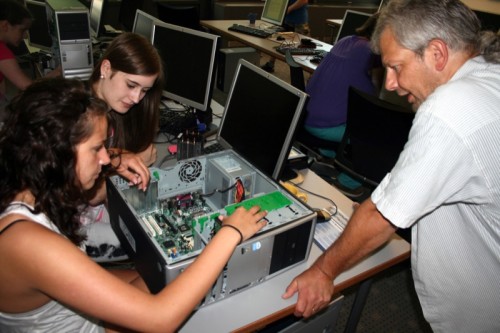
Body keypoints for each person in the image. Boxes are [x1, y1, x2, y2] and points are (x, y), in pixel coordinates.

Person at [283, 1, 500, 332]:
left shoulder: (450, 110)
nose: (391, 84)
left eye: (396, 67)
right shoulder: (488, 76)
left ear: (437, 54)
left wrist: (323, 271)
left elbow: (382, 217)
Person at [0, 77, 267, 332]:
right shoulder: (29, 244)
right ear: (57, 152)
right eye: (97, 148)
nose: (106, 158)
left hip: (68, 313)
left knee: (165, 275)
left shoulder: (31, 187)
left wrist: (118, 157)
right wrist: (231, 232)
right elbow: (161, 319)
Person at [82, 32, 164, 261]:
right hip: (70, 224)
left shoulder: (110, 109)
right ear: (106, 69)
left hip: (95, 209)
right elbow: (92, 195)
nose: (137, 98)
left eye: (144, 90)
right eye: (131, 85)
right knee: (153, 244)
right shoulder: (80, 117)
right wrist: (135, 159)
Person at [303, 13, 383, 159]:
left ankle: (330, 154)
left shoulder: (344, 40)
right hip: (325, 127)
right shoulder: (372, 51)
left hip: (304, 118)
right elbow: (378, 95)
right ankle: (348, 180)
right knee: (382, 132)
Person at [0, 0, 59, 121]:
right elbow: (28, 87)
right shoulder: (2, 52)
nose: (26, 36)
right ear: (5, 26)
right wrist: (57, 73)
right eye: (22, 30)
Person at [261, 0, 309, 73]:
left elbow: (303, 0)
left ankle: (312, 74)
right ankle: (270, 64)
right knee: (278, 42)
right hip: (287, 19)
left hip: (299, 22)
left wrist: (289, 9)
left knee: (305, 48)